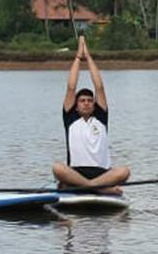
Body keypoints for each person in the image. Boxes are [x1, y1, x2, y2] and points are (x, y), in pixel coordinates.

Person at [52, 36, 131, 194]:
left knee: (124, 171)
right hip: (76, 172)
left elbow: (99, 86)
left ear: (94, 105)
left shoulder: (100, 118)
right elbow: (71, 87)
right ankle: (100, 189)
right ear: (76, 105)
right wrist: (78, 57)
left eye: (90, 100)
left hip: (102, 173)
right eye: (82, 101)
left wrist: (88, 57)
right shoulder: (71, 118)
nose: (87, 103)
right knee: (57, 168)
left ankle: (87, 186)